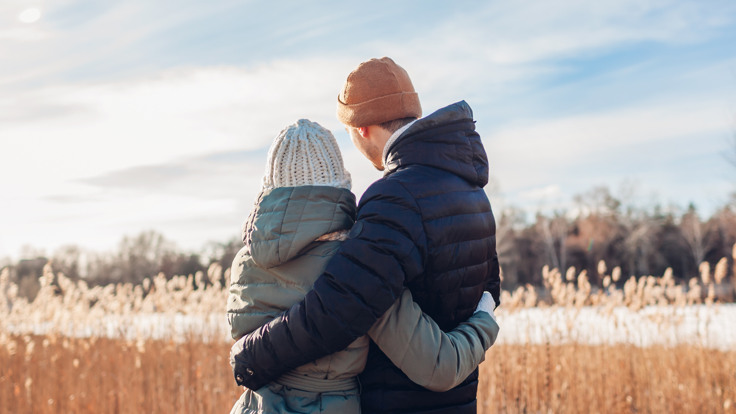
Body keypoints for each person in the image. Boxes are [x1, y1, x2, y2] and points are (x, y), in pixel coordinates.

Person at [232, 57, 501, 414]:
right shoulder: (472, 191)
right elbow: (483, 297)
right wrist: (485, 319)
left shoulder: (244, 262)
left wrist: (248, 356)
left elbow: (336, 308)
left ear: (360, 129)